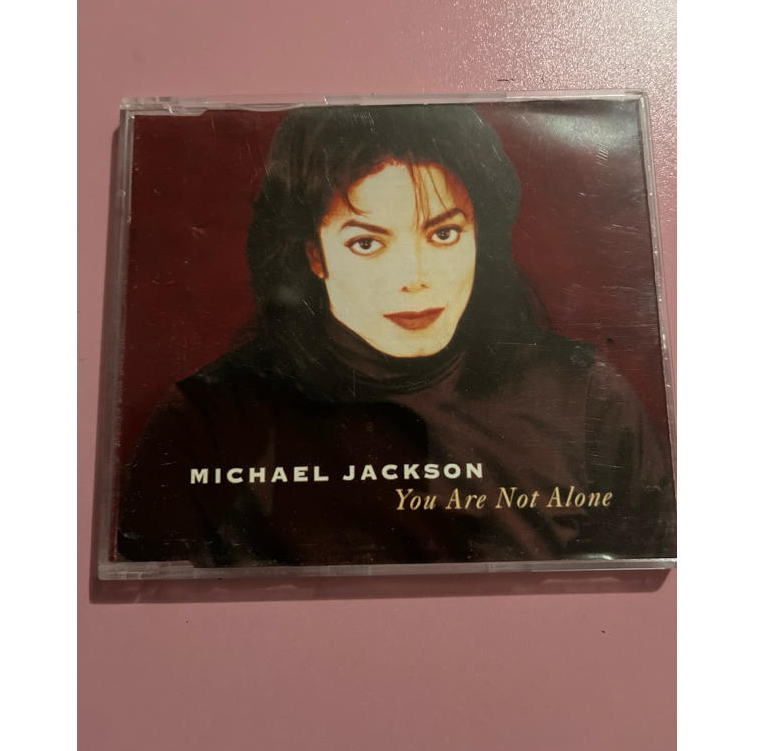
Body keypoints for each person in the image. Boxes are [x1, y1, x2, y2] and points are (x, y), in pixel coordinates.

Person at [117, 104, 676, 568]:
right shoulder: (205, 424)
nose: (414, 276)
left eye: (444, 233)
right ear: (314, 255)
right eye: (367, 243)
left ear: (479, 236)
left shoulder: (584, 396)